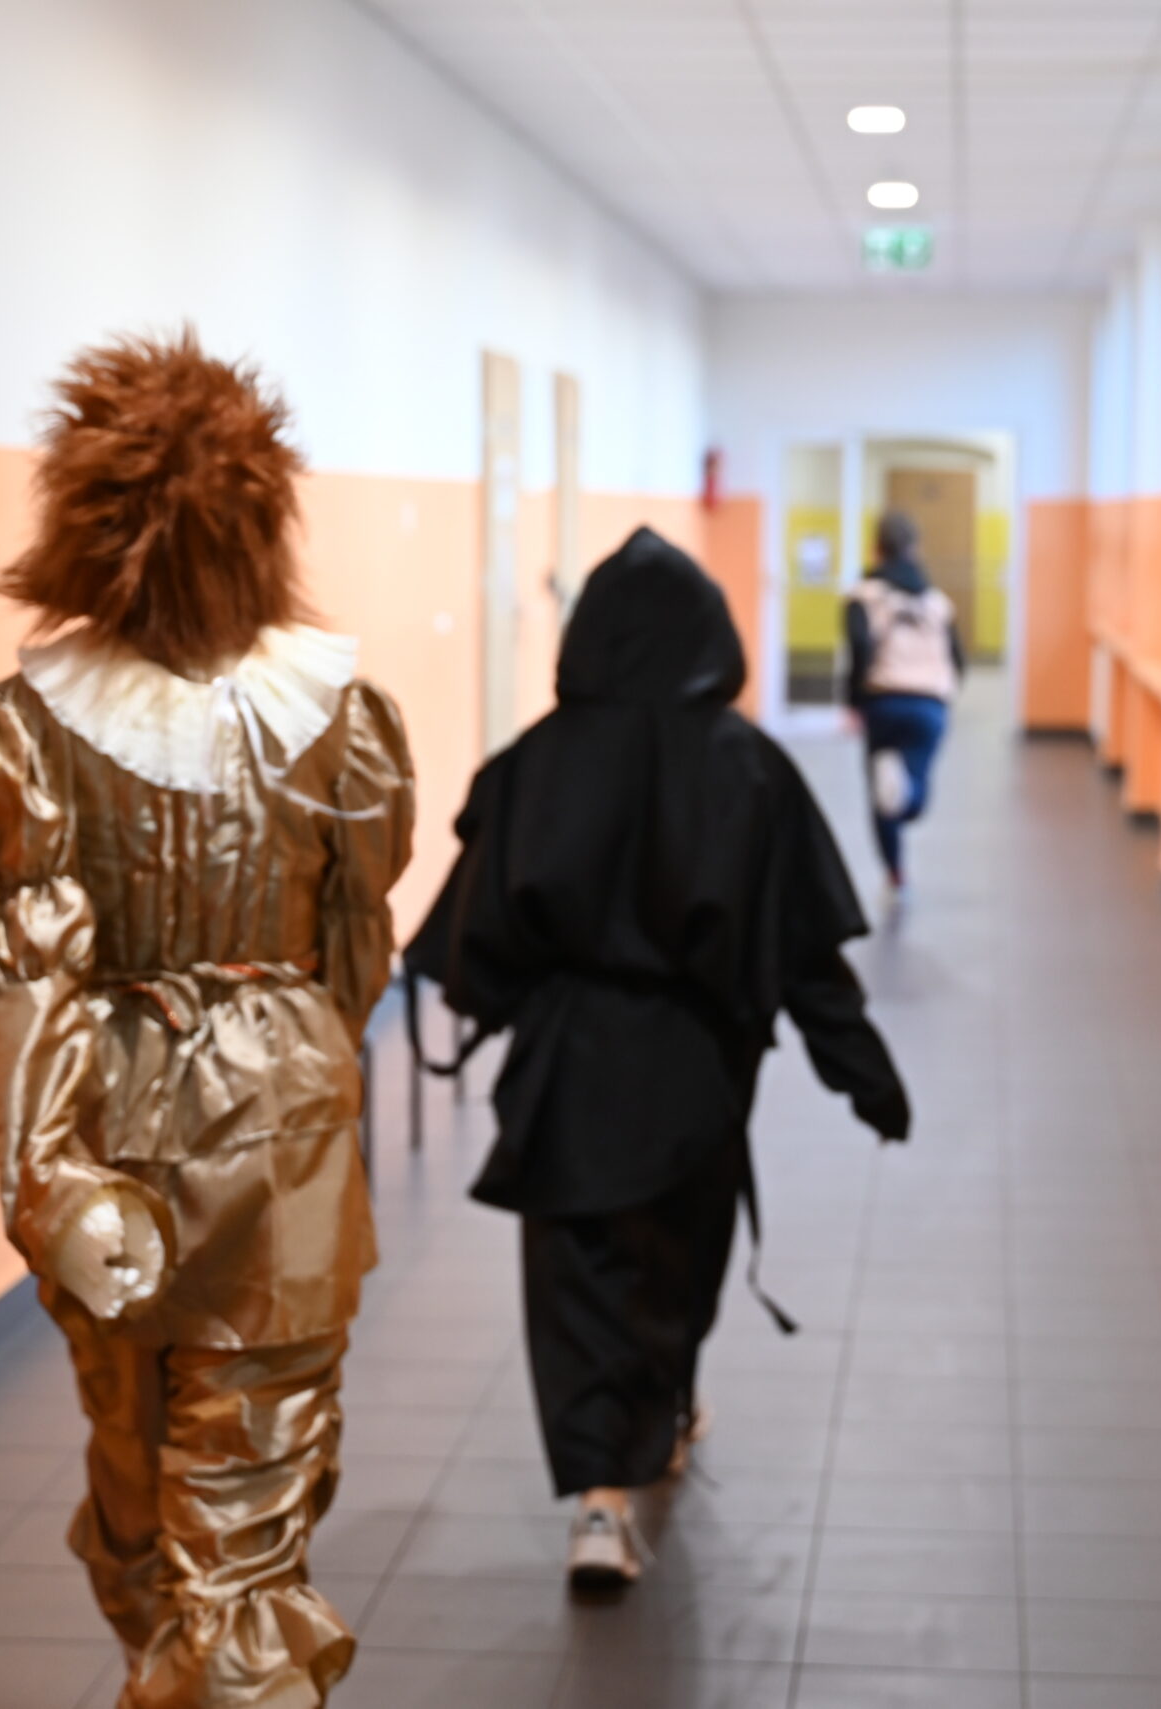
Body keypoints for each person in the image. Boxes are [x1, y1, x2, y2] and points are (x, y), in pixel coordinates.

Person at [0, 330, 413, 1709]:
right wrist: (290, 1052)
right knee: (228, 1495)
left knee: (148, 1474)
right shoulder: (339, 715)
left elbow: (20, 978)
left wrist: (46, 1173)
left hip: (107, 1137)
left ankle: (183, 1674)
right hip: (284, 1135)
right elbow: (357, 938)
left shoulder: (24, 726)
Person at [404, 527, 910, 1590]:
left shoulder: (536, 762)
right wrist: (863, 1074)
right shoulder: (747, 766)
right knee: (675, 1265)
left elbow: (475, 943)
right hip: (694, 1068)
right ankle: (664, 1413)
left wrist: (511, 998)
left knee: (576, 1278)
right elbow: (804, 952)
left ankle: (600, 1498)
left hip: (567, 1070)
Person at [844, 510, 964, 893]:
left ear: (876, 549)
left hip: (883, 701)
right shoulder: (937, 602)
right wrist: (946, 693)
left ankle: (895, 872)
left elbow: (858, 648)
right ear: (914, 549)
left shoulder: (863, 596)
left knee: (882, 797)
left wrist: (853, 701)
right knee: (913, 786)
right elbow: (957, 658)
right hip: (930, 704)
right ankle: (910, 794)